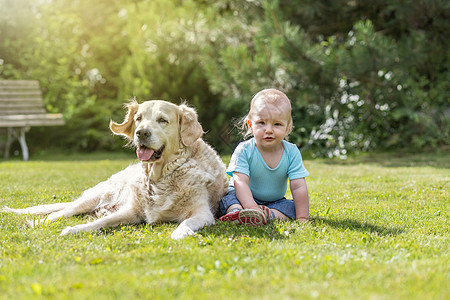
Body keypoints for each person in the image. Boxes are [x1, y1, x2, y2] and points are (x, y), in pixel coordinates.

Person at [219, 88, 310, 225]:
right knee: (228, 199)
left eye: (277, 124)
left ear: (287, 128)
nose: (268, 130)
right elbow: (240, 182)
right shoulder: (244, 150)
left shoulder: (291, 152)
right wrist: (252, 207)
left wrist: (303, 217)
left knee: (292, 207)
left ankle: (268, 214)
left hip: (274, 201)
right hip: (241, 195)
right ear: (250, 124)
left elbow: (298, 187)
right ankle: (236, 212)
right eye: (261, 123)